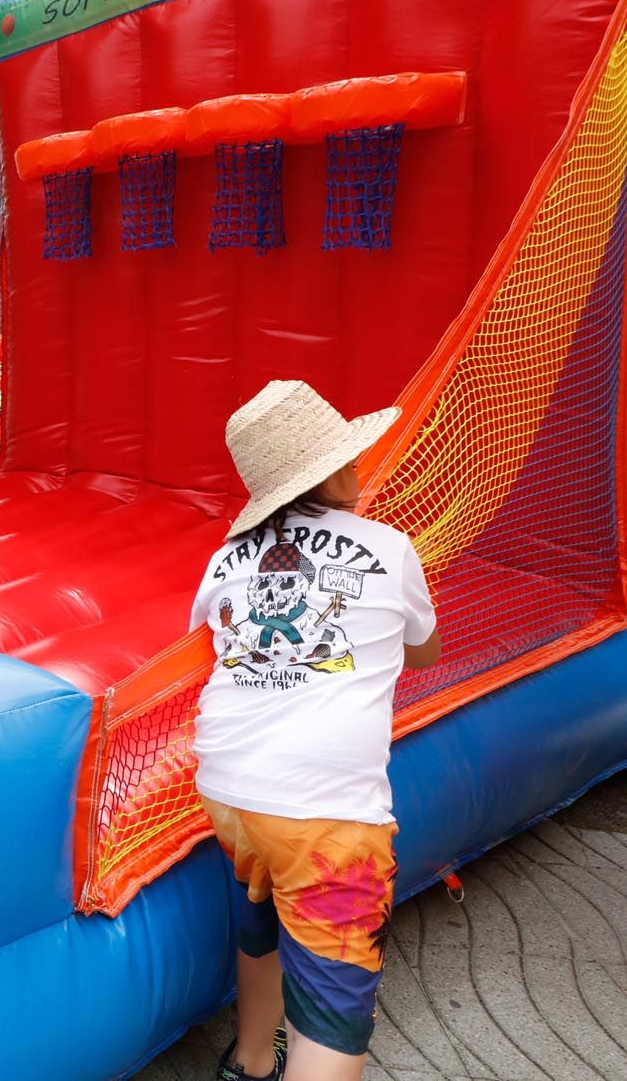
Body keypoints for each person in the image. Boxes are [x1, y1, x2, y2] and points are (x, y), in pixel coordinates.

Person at [191, 380, 440, 1081]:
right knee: (334, 1012)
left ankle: (248, 1059)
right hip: (326, 809)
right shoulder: (389, 547)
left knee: (261, 906)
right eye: (352, 461)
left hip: (228, 787)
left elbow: (218, 642)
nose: (361, 473)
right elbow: (426, 647)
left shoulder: (226, 555)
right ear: (333, 472)